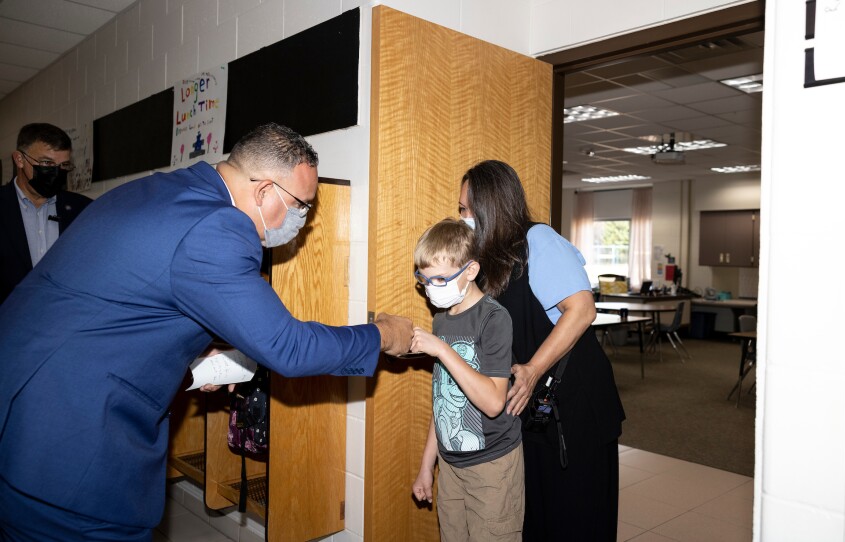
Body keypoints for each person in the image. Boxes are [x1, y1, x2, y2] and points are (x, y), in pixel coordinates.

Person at [0, 122, 413, 541]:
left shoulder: (161, 190)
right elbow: (289, 347)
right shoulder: (219, 226)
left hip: (20, 407)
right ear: (265, 191)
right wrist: (382, 334)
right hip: (66, 445)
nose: (303, 221)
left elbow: (125, 308)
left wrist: (192, 360)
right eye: (302, 206)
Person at [458, 160, 625, 541]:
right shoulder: (489, 262)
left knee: (577, 518)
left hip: (577, 410)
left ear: (491, 205)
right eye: (461, 211)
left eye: (467, 209)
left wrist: (533, 368)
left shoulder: (539, 242)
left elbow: (582, 309)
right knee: (538, 517)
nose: (464, 217)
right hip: (533, 412)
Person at [410, 218, 524, 541]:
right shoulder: (441, 321)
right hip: (450, 466)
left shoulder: (494, 319)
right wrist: (425, 467)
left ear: (471, 271)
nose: (431, 288)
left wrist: (443, 351)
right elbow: (443, 401)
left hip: (492, 469)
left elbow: (492, 402)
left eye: (441, 279)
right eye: (425, 280)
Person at [0, 122, 92, 304]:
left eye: (63, 165)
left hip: (61, 317)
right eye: (46, 163)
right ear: (19, 159)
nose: (55, 172)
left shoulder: (83, 209)